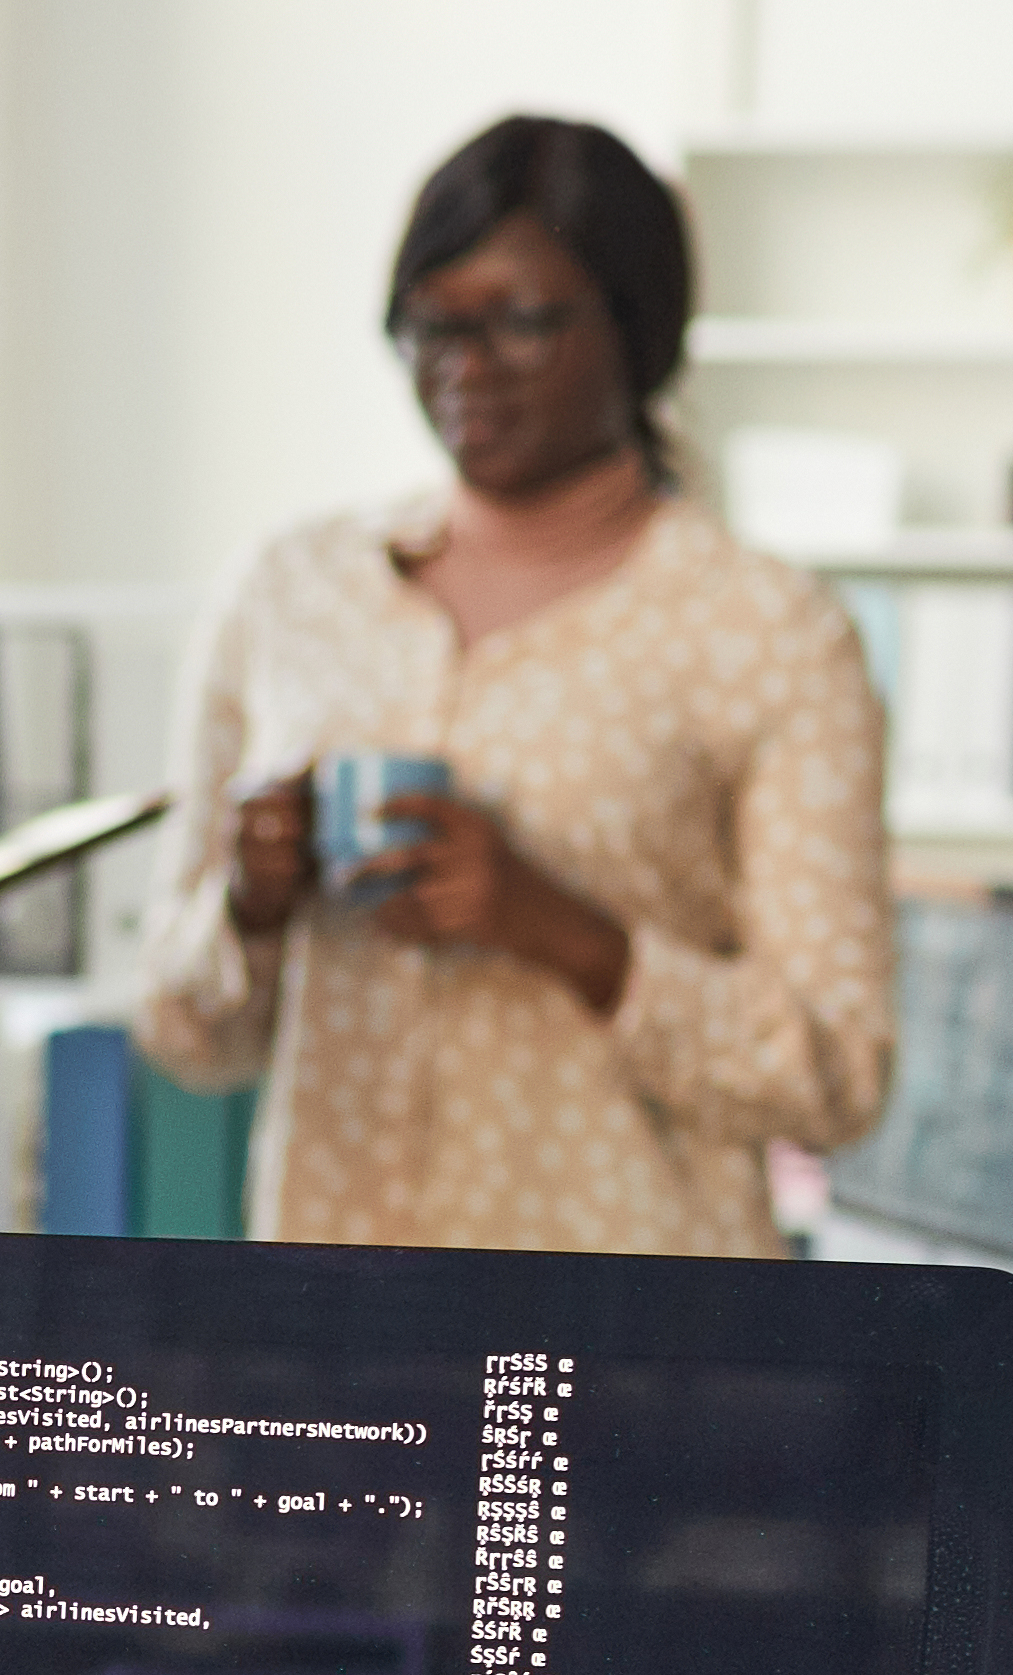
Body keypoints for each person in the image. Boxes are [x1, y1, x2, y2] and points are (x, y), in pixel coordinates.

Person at [126, 113, 893, 1255]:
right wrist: (249, 904)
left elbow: (834, 1075)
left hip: (629, 1351)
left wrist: (567, 933)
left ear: (638, 327)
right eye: (430, 327)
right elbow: (182, 1032)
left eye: (524, 322)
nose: (465, 368)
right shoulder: (291, 592)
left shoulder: (766, 628)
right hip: (339, 1336)